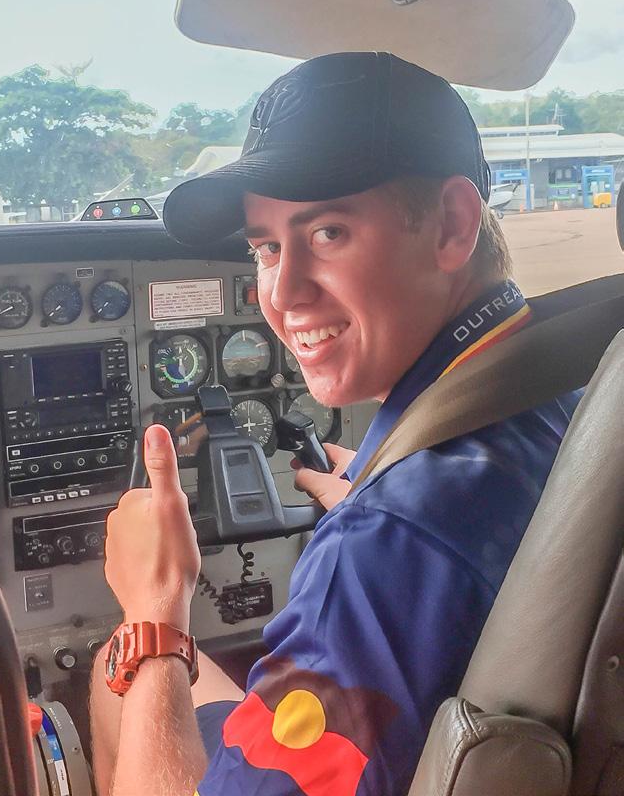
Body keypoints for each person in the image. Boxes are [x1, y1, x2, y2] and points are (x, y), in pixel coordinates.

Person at [90, 52, 581, 796]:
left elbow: (406, 548)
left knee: (118, 666)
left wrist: (154, 610)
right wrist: (386, 490)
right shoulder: (568, 389)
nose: (284, 292)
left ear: (452, 225)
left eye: (327, 233)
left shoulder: (386, 542)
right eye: (265, 247)